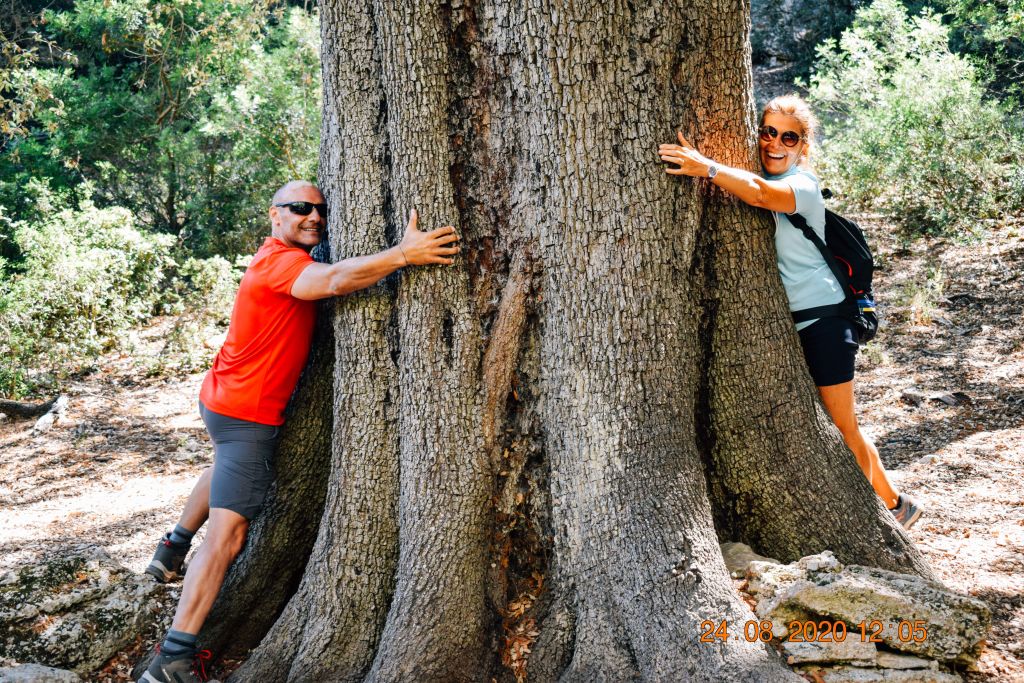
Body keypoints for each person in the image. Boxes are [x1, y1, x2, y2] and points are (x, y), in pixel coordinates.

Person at [138, 180, 460, 683]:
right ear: (275, 215)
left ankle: (171, 547)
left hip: (223, 397)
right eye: (299, 208)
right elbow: (332, 282)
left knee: (227, 466)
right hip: (247, 413)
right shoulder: (282, 264)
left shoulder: (275, 255)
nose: (313, 216)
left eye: (319, 209)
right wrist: (403, 254)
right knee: (229, 531)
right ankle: (173, 658)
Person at [658, 94, 922, 531]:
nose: (774, 143)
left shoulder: (803, 186)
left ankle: (896, 505)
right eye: (767, 132)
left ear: (803, 146)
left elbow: (762, 195)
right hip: (789, 325)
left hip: (825, 321)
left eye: (788, 137)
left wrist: (704, 165)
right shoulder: (750, 174)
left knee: (842, 426)